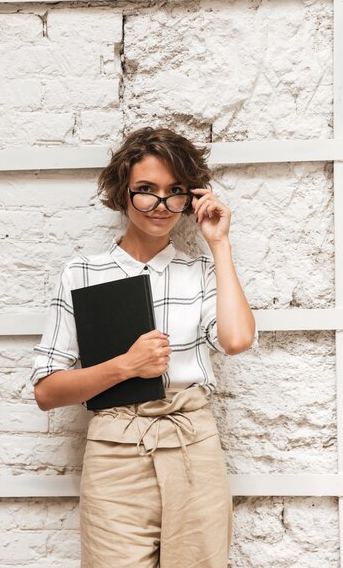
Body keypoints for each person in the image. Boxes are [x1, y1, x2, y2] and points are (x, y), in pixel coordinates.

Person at [30, 126, 259, 568]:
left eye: (174, 191)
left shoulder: (200, 271)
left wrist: (220, 244)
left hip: (193, 445)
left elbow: (236, 340)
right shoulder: (81, 273)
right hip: (115, 451)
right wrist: (125, 366)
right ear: (122, 193)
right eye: (145, 190)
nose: (160, 204)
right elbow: (46, 391)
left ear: (190, 199)